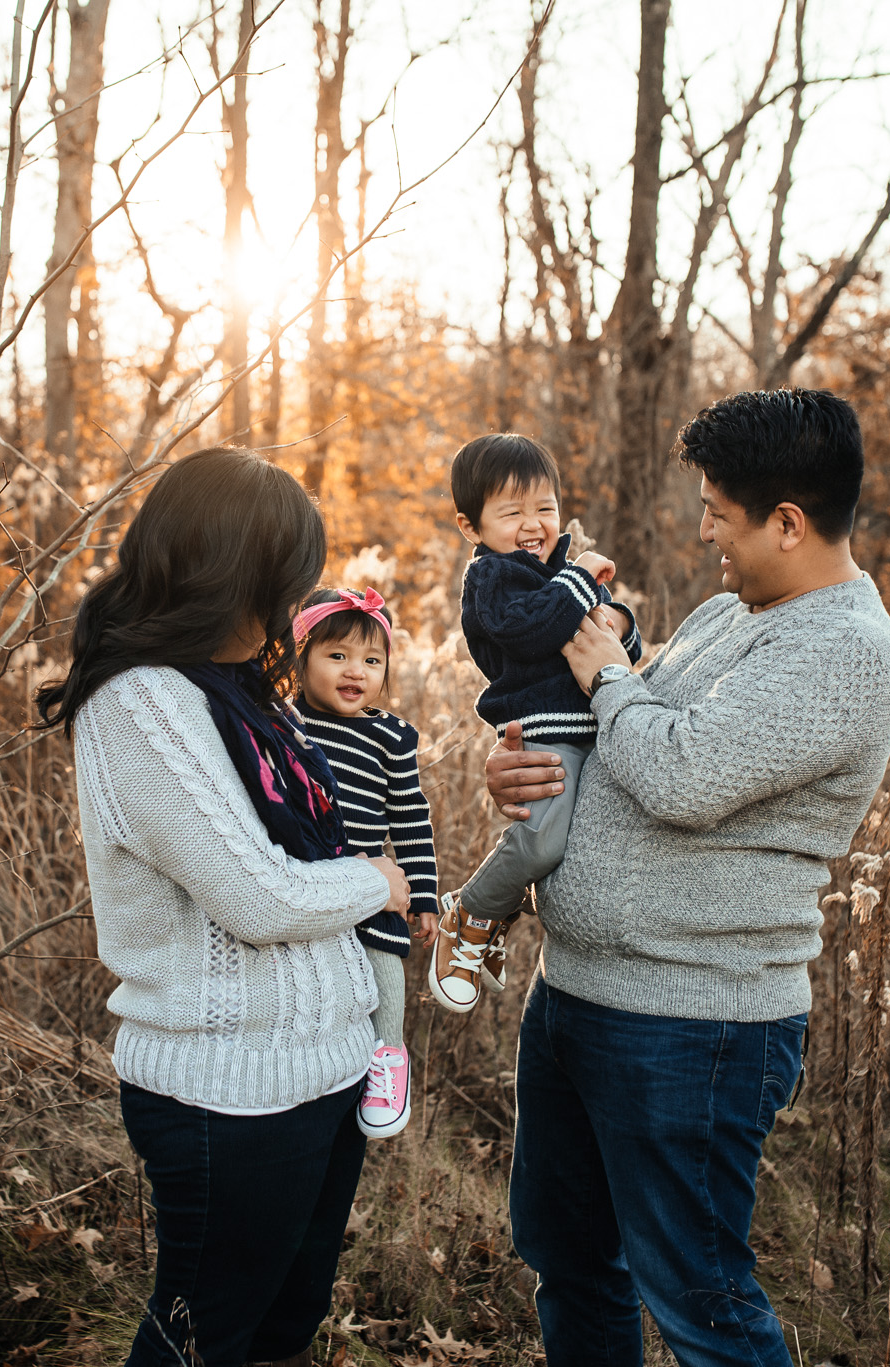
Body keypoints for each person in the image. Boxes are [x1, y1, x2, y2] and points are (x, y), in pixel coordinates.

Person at [489, 390, 890, 1367]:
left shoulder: (843, 648)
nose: (703, 526)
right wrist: (527, 765)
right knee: (571, 1260)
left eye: (718, 508)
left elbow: (683, 772)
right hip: (580, 994)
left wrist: (602, 674)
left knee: (700, 1300)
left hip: (692, 1021)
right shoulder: (732, 609)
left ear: (788, 523)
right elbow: (625, 737)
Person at [37, 448, 413, 1367]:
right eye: (281, 583)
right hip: (228, 1091)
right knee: (205, 1338)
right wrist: (380, 883)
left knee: (283, 1328)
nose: (290, 608)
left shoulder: (244, 694)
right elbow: (259, 894)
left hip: (319, 1071)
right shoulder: (143, 701)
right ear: (228, 573)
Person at [427, 434, 642, 1013]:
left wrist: (618, 620)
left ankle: (492, 919)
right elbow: (530, 630)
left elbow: (614, 647)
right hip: (543, 731)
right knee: (542, 843)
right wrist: (581, 580)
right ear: (471, 527)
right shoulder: (493, 578)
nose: (533, 523)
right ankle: (470, 911)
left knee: (570, 845)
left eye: (544, 507)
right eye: (512, 510)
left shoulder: (555, 576)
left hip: (591, 731)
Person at [289, 587, 440, 1140]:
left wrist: (423, 895)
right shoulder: (282, 722)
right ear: (300, 657)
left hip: (372, 883)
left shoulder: (392, 737)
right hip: (306, 878)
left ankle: (389, 1055)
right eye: (338, 656)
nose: (356, 672)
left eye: (372, 661)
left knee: (381, 958)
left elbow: (411, 819)